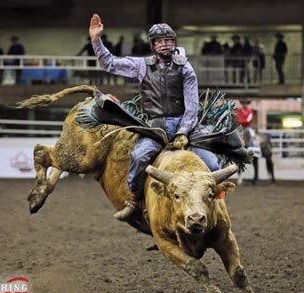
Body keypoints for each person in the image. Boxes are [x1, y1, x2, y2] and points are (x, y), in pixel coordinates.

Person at [88, 13, 219, 221]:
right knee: (140, 157)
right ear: (153, 45)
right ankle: (134, 200)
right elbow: (110, 63)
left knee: (212, 164)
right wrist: (96, 40)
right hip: (155, 127)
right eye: (160, 41)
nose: (165, 44)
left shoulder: (185, 68)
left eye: (169, 40)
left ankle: (214, 205)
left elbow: (192, 105)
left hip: (183, 126)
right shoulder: (142, 66)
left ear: (174, 43)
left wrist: (184, 131)